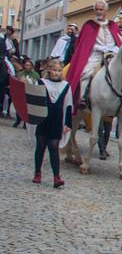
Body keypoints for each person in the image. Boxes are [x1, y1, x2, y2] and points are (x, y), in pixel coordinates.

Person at [65, 0, 122, 107]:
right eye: (97, 9)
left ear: (106, 10)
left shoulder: (113, 25)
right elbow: (84, 44)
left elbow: (119, 41)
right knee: (85, 73)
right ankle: (83, 97)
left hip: (113, 55)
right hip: (96, 55)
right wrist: (100, 47)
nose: (98, 12)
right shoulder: (89, 25)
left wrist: (115, 49)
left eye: (101, 9)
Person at [32, 59, 73, 188]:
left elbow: (68, 105)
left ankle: (56, 177)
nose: (56, 73)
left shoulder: (66, 86)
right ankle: (37, 173)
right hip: (43, 120)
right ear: (49, 70)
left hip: (56, 121)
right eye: (54, 70)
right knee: (40, 147)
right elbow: (33, 100)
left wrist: (68, 123)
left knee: (54, 148)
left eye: (59, 70)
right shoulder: (41, 82)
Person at [13, 58, 40, 128]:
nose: (27, 66)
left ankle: (26, 122)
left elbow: (37, 83)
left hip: (30, 93)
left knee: (27, 109)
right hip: (21, 93)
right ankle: (18, 120)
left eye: (29, 65)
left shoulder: (35, 74)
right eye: (26, 65)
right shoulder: (20, 73)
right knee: (19, 108)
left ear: (31, 66)